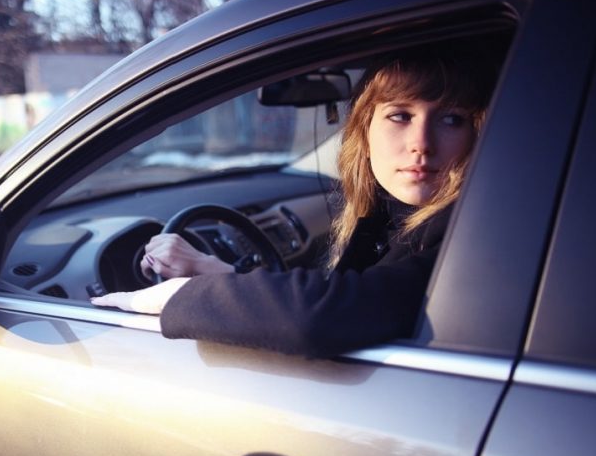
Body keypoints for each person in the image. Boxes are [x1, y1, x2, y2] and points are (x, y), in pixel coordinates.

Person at [91, 47, 496, 358]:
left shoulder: (468, 236)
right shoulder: (384, 215)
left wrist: (168, 297)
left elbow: (328, 313)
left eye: (451, 119)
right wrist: (213, 271)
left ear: (478, 132)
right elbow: (339, 293)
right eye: (400, 116)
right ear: (365, 131)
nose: (421, 145)